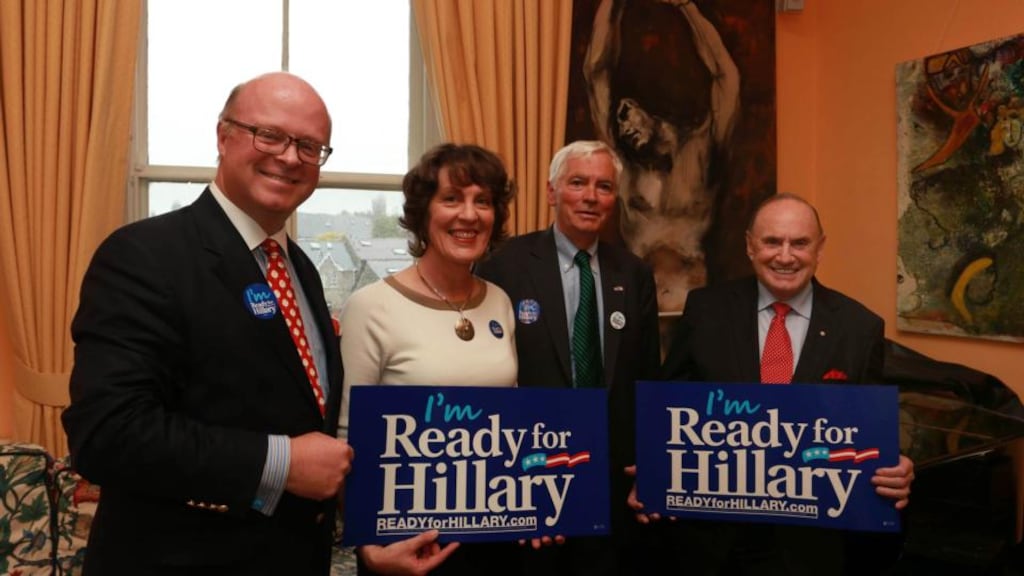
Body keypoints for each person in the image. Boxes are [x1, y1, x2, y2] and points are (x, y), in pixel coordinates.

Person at [61, 72, 354, 575]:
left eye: (309, 146)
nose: (290, 157)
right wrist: (280, 463)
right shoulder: (143, 256)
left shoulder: (300, 268)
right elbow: (107, 434)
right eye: (269, 135)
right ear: (223, 136)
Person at [653, 193, 916, 575]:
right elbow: (670, 407)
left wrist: (896, 464)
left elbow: (869, 428)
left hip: (807, 544)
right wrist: (652, 466)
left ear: (820, 248)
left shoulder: (859, 328)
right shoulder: (706, 311)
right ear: (750, 246)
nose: (786, 256)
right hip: (713, 537)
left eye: (800, 243)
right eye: (772, 241)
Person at [476, 140, 661, 576]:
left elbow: (646, 376)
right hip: (528, 472)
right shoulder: (502, 266)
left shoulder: (633, 273)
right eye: (577, 183)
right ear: (551, 191)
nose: (591, 196)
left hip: (612, 480)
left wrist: (651, 464)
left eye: (604, 187)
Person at [337, 143, 520, 576]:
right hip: (405, 545)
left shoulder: (500, 301)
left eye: (483, 201)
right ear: (423, 213)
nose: (469, 215)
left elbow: (512, 421)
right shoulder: (371, 306)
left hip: (494, 537)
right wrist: (368, 545)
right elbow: (347, 438)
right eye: (451, 199)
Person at [584, 0, 740, 318]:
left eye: (627, 113)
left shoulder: (701, 152)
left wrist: (686, 6)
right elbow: (596, 72)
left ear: (651, 109)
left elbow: (726, 77)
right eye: (618, 122)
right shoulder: (623, 169)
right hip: (640, 307)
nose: (624, 127)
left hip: (691, 301)